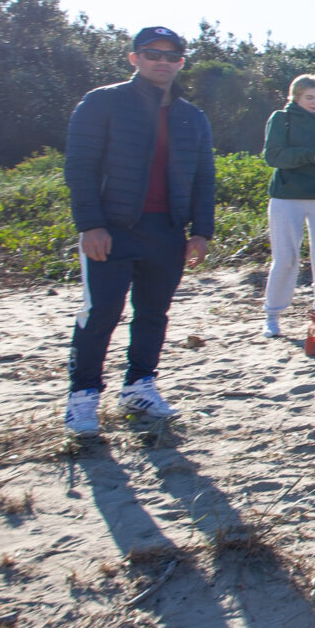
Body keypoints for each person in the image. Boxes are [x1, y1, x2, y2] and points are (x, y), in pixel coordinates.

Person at [61, 27, 215, 435]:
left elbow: (204, 177)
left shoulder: (192, 116)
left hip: (167, 230)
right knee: (101, 313)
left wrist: (201, 231)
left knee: (153, 313)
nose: (162, 62)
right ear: (134, 58)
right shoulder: (102, 102)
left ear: (181, 63)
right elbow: (79, 168)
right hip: (112, 229)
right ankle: (83, 397)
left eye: (172, 56)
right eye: (152, 54)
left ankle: (139, 386)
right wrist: (90, 225)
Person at [260, 74, 315, 339]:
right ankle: (272, 315)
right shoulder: (281, 118)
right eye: (309, 97)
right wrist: (310, 156)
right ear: (295, 97)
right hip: (286, 196)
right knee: (285, 258)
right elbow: (272, 156)